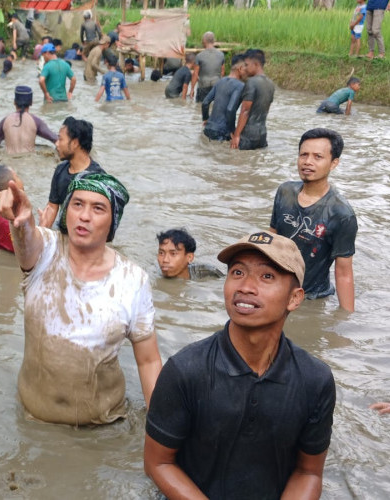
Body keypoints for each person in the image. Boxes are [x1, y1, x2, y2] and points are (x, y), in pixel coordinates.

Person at [145, 230, 335, 499]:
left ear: (294, 298)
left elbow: (309, 472)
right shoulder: (185, 370)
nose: (245, 286)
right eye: (237, 273)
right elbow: (158, 463)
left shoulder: (315, 380)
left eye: (267, 276)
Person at [0, 171, 162, 425]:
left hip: (100, 431)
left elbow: (149, 361)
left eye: (98, 208)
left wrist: (161, 429)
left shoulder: (133, 280)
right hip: (31, 423)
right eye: (77, 204)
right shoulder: (45, 251)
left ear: (112, 222)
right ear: (66, 212)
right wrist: (22, 217)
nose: (84, 216)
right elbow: (26, 236)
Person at [269, 128, 356, 312]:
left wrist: (346, 322)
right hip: (277, 289)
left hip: (311, 299)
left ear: (334, 163)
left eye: (317, 156)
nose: (308, 162)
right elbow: (273, 236)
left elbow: (344, 273)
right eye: (303, 155)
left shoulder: (341, 213)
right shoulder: (285, 192)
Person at [38, 117, 104, 228]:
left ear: (74, 143)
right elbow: (53, 206)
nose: (57, 144)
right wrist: (43, 230)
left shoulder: (96, 178)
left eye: (61, 139)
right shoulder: (60, 170)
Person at [0, 86, 57, 154]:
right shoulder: (36, 121)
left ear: (14, 102)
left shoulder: (5, 121)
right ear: (31, 103)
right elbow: (55, 139)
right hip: (28, 161)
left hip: (9, 162)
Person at [231, 49, 275, 150]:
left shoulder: (251, 82)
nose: (245, 68)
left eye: (246, 65)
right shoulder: (270, 84)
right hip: (262, 133)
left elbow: (245, 111)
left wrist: (236, 135)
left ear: (255, 64)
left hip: (248, 134)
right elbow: (266, 109)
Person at [202, 53, 245, 142]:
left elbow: (205, 102)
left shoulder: (220, 81)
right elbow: (230, 109)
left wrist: (206, 119)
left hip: (208, 129)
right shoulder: (240, 86)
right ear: (240, 68)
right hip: (222, 132)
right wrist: (233, 131)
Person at [157, 228, 224, 280]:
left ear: (189, 257)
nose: (165, 260)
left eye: (173, 254)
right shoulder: (151, 275)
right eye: (161, 253)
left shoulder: (209, 272)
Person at [191, 31, 225, 102]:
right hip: (216, 85)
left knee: (200, 107)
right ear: (214, 41)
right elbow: (222, 72)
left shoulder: (199, 56)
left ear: (204, 41)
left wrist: (192, 89)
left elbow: (195, 74)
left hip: (203, 85)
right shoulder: (221, 55)